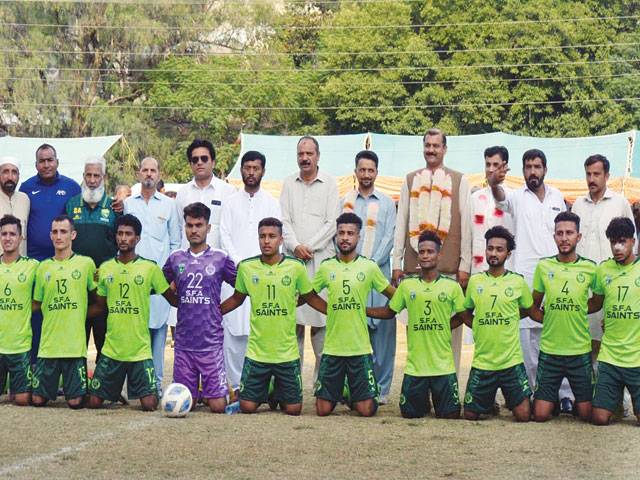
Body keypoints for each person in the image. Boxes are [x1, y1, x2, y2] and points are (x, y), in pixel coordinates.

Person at [488, 148, 572, 411]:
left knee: (558, 334)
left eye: (537, 167)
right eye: (528, 167)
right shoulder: (515, 196)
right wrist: (495, 183)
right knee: (528, 338)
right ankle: (536, 393)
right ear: (522, 170)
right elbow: (499, 197)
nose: (532, 172)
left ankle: (565, 396)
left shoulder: (558, 196)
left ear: (545, 169)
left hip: (555, 277)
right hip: (524, 275)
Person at [221, 217, 326, 415]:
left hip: (286, 353)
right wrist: (213, 312)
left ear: (281, 240)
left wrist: (334, 311)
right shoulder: (246, 267)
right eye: (262, 236)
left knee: (294, 410)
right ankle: (267, 389)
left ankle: (275, 389)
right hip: (257, 353)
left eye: (271, 236)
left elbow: (310, 297)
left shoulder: (295, 267)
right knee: (247, 407)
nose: (266, 241)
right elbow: (237, 299)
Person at [392, 128, 471, 373]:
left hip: (448, 271)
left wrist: (465, 265)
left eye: (436, 146)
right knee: (418, 331)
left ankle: (450, 387)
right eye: (428, 145)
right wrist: (397, 261)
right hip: (416, 270)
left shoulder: (459, 180)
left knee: (450, 333)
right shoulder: (410, 179)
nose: (432, 150)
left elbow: (466, 226)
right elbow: (401, 221)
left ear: (445, 149)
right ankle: (420, 383)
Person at [367, 231, 465, 419]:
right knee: (410, 414)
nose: (425, 255)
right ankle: (423, 399)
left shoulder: (451, 287)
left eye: (430, 251)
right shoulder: (407, 286)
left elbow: (463, 316)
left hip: (443, 367)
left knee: (451, 415)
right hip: (415, 369)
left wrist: (446, 325)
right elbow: (389, 312)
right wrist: (362, 310)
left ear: (439, 255)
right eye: (422, 252)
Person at [87, 215, 174, 411]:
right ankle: (114, 389)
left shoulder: (150, 268)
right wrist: (74, 313)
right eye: (120, 234)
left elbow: (171, 297)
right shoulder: (106, 267)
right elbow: (100, 306)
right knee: (93, 403)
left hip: (139, 351)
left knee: (150, 405)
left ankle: (119, 388)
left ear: (137, 238)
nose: (123, 238)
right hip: (112, 349)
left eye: (128, 234)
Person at [312, 212, 395, 417]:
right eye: (341, 233)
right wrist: (328, 309)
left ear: (359, 237)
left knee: (366, 411)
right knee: (322, 411)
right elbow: (308, 295)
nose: (345, 238)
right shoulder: (326, 267)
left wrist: (373, 311)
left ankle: (353, 391)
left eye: (350, 233)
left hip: (359, 348)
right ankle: (344, 388)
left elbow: (395, 296)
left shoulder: (368, 266)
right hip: (333, 348)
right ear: (335, 237)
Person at [163, 202, 236, 413]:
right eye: (189, 225)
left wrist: (219, 309)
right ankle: (199, 390)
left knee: (218, 407)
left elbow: (241, 288)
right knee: (187, 404)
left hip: (210, 343)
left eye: (199, 225)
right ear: (184, 227)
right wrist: (174, 300)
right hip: (184, 343)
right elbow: (160, 284)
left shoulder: (220, 259)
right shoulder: (176, 258)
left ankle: (222, 390)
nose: (194, 230)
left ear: (208, 227)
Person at [220, 150, 281, 393]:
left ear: (263, 171)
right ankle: (236, 386)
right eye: (247, 168)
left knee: (261, 329)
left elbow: (275, 239)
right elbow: (224, 233)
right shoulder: (231, 201)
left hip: (264, 276)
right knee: (234, 333)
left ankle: (262, 387)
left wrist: (258, 266)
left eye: (256, 168)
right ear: (241, 170)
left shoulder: (271, 203)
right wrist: (240, 263)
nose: (251, 173)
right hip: (236, 273)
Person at [280, 136, 341, 380]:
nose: (305, 158)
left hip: (320, 261)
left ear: (317, 156)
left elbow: (332, 222)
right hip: (294, 262)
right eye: (301, 154)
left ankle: (322, 385)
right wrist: (295, 246)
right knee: (292, 326)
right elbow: (283, 220)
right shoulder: (288, 183)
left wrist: (309, 247)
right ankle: (290, 384)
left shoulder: (329, 183)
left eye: (309, 154)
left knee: (321, 325)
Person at [462, 226, 534, 422]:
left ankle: (513, 399)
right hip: (483, 362)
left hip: (511, 362)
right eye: (490, 248)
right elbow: (465, 312)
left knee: (524, 416)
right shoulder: (475, 281)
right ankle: (488, 403)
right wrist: (478, 325)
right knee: (469, 415)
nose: (493, 253)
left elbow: (528, 308)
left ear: (508, 254)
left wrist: (510, 318)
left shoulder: (517, 282)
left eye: (499, 249)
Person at [530, 212, 596, 422]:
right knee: (540, 415)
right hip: (550, 351)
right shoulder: (544, 266)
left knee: (587, 415)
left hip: (579, 350)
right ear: (554, 236)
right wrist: (548, 319)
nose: (564, 238)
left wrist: (577, 311)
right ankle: (554, 403)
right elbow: (534, 305)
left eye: (569, 233)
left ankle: (577, 403)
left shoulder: (590, 268)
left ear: (579, 236)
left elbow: (599, 300)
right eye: (560, 233)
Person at [342, 150, 396, 404]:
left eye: (370, 170)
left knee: (383, 334)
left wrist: (370, 267)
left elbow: (389, 238)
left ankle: (382, 390)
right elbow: (339, 235)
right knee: (354, 331)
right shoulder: (346, 200)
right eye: (361, 170)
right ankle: (356, 387)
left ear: (376, 172)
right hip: (350, 278)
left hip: (378, 276)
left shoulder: (386, 203)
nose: (366, 175)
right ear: (355, 172)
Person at [124, 157, 181, 395]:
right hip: (132, 279)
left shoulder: (168, 206)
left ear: (159, 174)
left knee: (158, 332)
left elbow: (176, 242)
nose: (149, 174)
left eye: (153, 170)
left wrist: (171, 277)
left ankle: (155, 385)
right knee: (133, 331)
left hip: (159, 280)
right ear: (139, 174)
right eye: (145, 170)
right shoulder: (128, 204)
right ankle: (132, 387)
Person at [19, 144, 81, 364]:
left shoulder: (72, 187)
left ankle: (63, 369)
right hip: (35, 263)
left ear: (57, 161)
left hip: (63, 264)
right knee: (35, 316)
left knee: (60, 314)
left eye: (50, 160)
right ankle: (35, 366)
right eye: (42, 161)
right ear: (36, 164)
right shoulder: (26, 188)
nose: (46, 165)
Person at [571, 154, 634, 361]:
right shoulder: (578, 204)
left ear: (607, 175)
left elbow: (631, 241)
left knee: (614, 339)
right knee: (586, 342)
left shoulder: (620, 203)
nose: (592, 179)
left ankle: (619, 393)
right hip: (584, 284)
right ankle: (589, 391)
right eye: (588, 174)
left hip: (614, 285)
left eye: (596, 174)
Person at [31, 215, 97, 408]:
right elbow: (37, 303)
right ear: (50, 236)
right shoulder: (43, 267)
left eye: (64, 231)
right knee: (37, 401)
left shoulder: (86, 264)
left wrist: (80, 312)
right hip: (48, 346)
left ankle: (89, 382)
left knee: (75, 403)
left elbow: (98, 300)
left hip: (74, 346)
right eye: (55, 232)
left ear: (73, 235)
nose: (59, 236)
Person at [65, 156, 118, 363]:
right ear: (83, 176)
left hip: (105, 283)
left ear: (103, 177)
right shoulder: (70, 205)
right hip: (77, 282)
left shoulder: (115, 207)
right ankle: (78, 386)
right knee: (78, 335)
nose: (92, 180)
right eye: (89, 175)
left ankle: (103, 386)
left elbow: (121, 242)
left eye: (97, 175)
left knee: (104, 335)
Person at [589, 217, 640, 425]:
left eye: (622, 241)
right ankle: (614, 402)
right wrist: (566, 308)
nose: (617, 247)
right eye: (613, 242)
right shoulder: (603, 270)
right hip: (610, 355)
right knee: (599, 419)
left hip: (637, 357)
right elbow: (596, 303)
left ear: (633, 241)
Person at [0, 215, 38, 406]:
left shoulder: (32, 266)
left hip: (20, 345)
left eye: (12, 234)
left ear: (21, 237)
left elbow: (42, 298)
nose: (8, 238)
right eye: (4, 234)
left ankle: (15, 393)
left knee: (23, 400)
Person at [175, 139, 236, 250]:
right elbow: (179, 228)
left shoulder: (228, 192)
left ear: (213, 162)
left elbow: (232, 230)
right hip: (188, 260)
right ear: (190, 164)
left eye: (204, 158)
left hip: (218, 260)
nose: (199, 162)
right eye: (195, 159)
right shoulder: (182, 193)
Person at [469, 146, 514, 274]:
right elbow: (467, 235)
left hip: (506, 269)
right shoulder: (475, 197)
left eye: (496, 165)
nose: (490, 169)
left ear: (505, 166)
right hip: (478, 269)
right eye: (487, 164)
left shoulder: (512, 197)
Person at [0, 157, 29, 255]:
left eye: (14, 172)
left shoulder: (24, 199)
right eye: (5, 172)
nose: (10, 177)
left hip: (22, 267)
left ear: (19, 176)